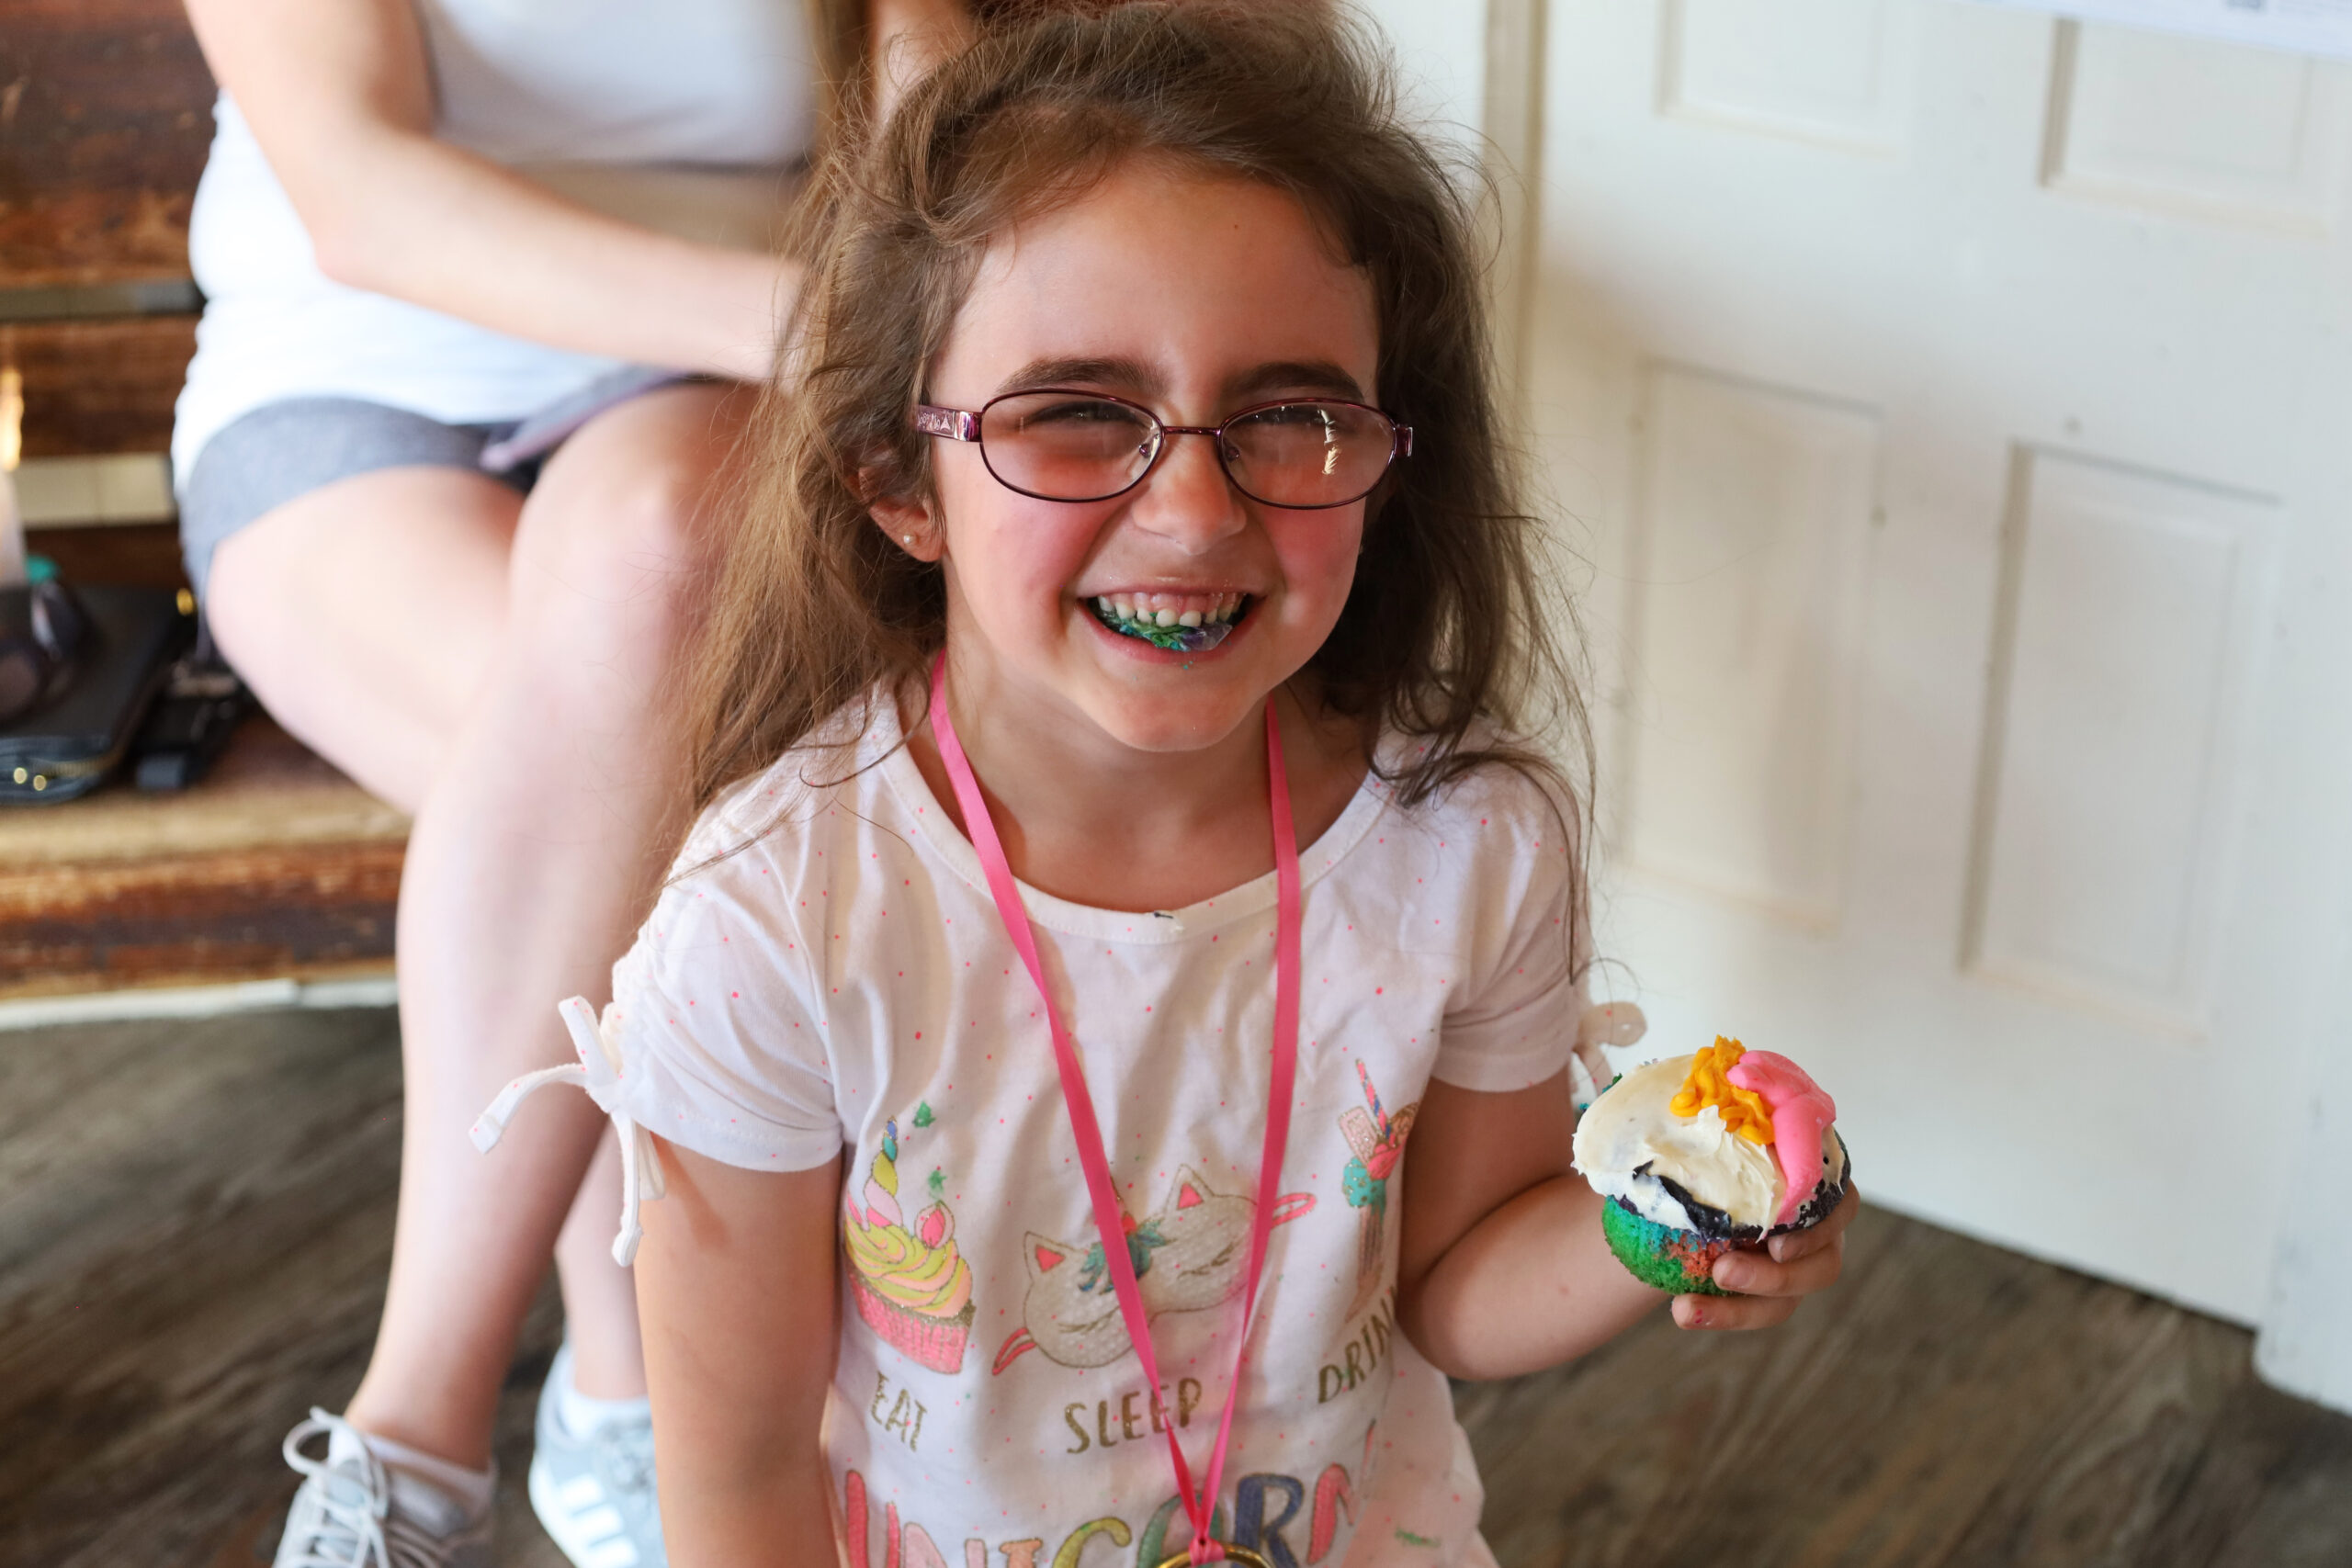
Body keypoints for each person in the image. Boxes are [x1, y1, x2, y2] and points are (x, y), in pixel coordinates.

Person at [481, 6, 1860, 1564]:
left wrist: (1657, 1225)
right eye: (1077, 414)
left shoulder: (1470, 846)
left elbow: (1453, 1287)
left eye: (1290, 417)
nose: (1196, 512)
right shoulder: (777, 920)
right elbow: (735, 1486)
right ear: (896, 479)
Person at [168, 2, 965, 1564]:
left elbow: (925, 117)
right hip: (345, 383)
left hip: (699, 401)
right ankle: (616, 1399)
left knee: (656, 579)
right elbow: (360, 192)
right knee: (638, 788)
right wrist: (830, 329)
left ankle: (414, 1466)